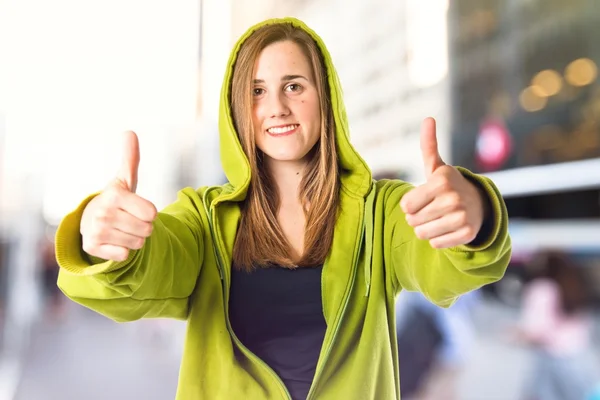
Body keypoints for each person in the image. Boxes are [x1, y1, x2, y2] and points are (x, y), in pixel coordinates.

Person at [54, 17, 511, 400]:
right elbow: (149, 271)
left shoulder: (380, 211)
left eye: (293, 85)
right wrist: (104, 243)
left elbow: (444, 266)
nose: (275, 107)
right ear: (237, 108)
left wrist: (474, 215)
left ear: (324, 98)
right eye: (256, 91)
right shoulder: (203, 219)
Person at [512, 250, 598, 400]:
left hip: (551, 358)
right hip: (579, 357)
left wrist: (515, 334)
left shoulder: (541, 288)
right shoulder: (574, 285)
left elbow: (536, 330)